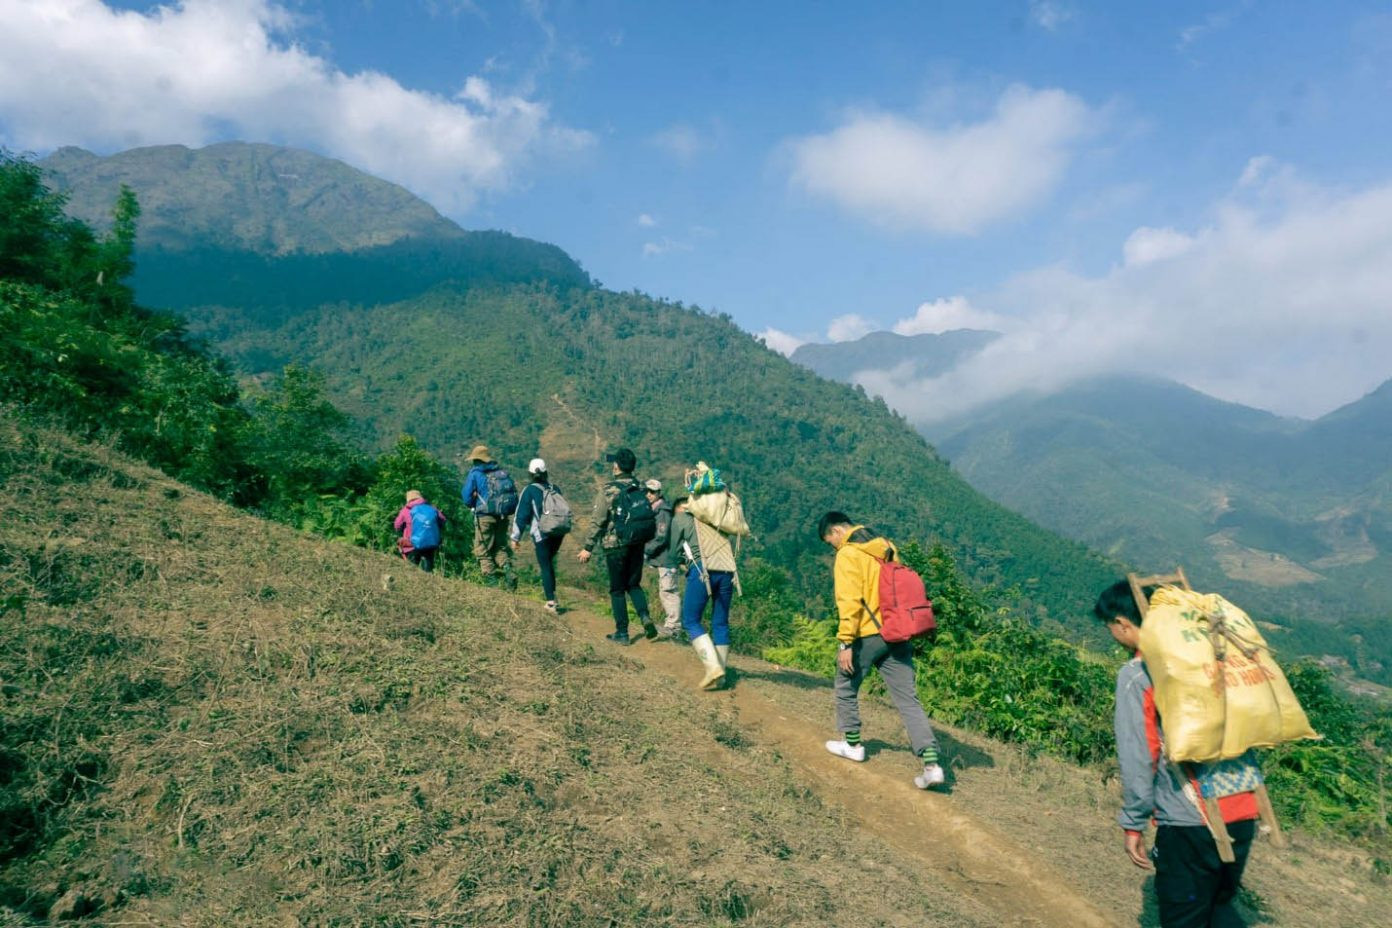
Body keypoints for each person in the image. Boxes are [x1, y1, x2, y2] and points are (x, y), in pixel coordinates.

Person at [1094, 580, 1260, 928]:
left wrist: (1133, 822)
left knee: (1184, 918)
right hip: (1244, 807)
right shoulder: (1213, 656)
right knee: (1217, 908)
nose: (1113, 635)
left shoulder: (1139, 675)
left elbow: (1141, 756)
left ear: (1124, 623)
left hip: (1191, 820)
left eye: (1112, 628)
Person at [817, 511, 945, 789]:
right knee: (908, 699)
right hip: (898, 631)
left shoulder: (849, 554)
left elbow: (849, 601)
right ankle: (932, 765)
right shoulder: (886, 546)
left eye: (831, 542)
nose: (833, 547)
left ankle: (852, 745)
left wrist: (845, 643)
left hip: (869, 633)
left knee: (845, 684)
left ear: (838, 531)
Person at [578, 447, 657, 645]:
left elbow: (598, 521)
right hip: (637, 543)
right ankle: (645, 616)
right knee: (634, 584)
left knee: (617, 590)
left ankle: (622, 633)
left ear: (617, 467)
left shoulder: (608, 490)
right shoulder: (640, 488)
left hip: (615, 546)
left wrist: (588, 547)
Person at [668, 495, 736, 689]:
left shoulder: (680, 518)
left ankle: (713, 667)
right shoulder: (714, 518)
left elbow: (673, 552)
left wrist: (681, 561)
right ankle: (721, 677)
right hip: (727, 571)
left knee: (690, 620)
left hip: (702, 571)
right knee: (720, 621)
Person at [511, 458, 564, 613]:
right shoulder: (556, 488)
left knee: (545, 566)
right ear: (546, 472)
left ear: (530, 473)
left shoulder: (529, 490)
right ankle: (553, 596)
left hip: (542, 534)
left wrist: (515, 538)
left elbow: (521, 516)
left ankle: (551, 602)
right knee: (549, 564)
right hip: (558, 533)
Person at [461, 444, 517, 590]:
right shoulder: (500, 472)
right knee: (500, 547)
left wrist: (474, 499)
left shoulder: (475, 474)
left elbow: (466, 499)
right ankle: (508, 571)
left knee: (482, 550)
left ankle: (491, 585)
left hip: (485, 517)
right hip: (502, 517)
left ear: (476, 460)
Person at [643, 479, 683, 640]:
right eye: (646, 491)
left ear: (659, 493)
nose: (648, 494)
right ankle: (671, 624)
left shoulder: (663, 512)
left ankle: (674, 627)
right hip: (663, 558)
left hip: (667, 558)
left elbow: (661, 537)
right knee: (665, 590)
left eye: (652, 492)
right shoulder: (656, 510)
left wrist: (645, 551)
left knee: (669, 591)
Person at [393, 489, 446, 573]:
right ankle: (428, 583)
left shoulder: (405, 510)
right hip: (429, 543)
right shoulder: (430, 508)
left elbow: (397, 526)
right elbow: (443, 519)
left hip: (411, 545)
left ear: (408, 500)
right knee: (428, 571)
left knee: (410, 571)